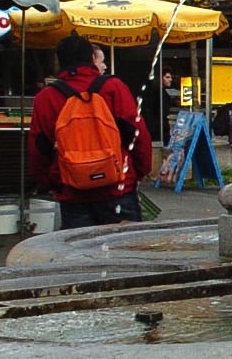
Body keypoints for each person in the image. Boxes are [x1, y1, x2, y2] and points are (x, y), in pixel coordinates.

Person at [30, 33, 152, 229]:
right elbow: (137, 134)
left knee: (80, 254)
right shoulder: (113, 87)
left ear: (60, 61)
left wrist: (51, 183)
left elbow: (39, 148)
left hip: (72, 190)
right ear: (92, 58)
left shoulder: (46, 97)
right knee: (126, 253)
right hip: (118, 188)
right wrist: (139, 171)